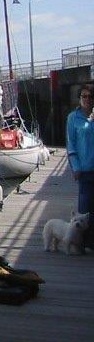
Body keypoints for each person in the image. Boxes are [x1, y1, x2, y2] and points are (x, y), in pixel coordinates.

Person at [66, 84, 94, 250]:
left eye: (90, 96)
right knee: (84, 208)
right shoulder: (73, 118)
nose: (87, 99)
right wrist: (75, 166)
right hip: (84, 169)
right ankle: (81, 243)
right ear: (79, 99)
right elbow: (71, 143)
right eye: (84, 96)